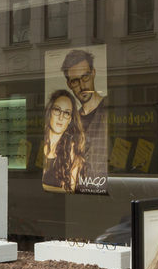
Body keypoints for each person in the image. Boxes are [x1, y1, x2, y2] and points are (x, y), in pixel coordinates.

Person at [61, 49, 108, 189]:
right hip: (78, 192)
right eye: (75, 81)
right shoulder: (70, 122)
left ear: (93, 73)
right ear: (69, 84)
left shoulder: (110, 110)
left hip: (105, 192)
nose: (82, 86)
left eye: (85, 77)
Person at [41, 89, 86, 192]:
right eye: (57, 110)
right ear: (50, 112)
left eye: (66, 113)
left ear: (70, 119)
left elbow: (69, 190)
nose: (61, 117)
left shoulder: (72, 151)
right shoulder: (37, 144)